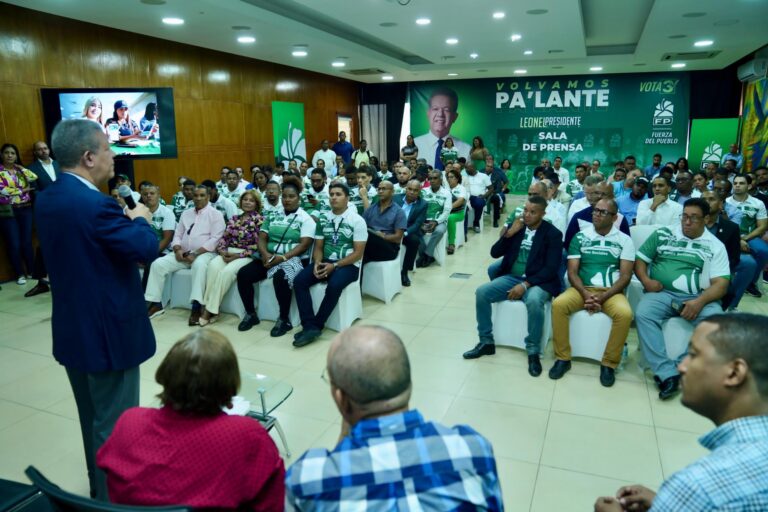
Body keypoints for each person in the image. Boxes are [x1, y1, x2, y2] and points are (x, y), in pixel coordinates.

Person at [34, 119, 157, 500]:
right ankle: (112, 502)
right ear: (89, 157)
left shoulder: (48, 197)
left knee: (92, 418)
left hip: (74, 327)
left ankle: (98, 490)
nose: (114, 155)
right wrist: (141, 221)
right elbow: (145, 249)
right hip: (109, 333)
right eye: (107, 148)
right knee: (115, 426)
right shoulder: (96, 205)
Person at [285, 325, 503, 511]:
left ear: (340, 398)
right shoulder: (473, 449)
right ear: (408, 383)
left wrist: (345, 434)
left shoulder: (307, 480)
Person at [595, 313, 768, 512]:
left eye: (693, 355)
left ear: (734, 372)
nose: (681, 366)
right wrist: (668, 504)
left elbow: (705, 498)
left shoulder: (698, 487)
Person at [97, 330, 285, 510]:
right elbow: (273, 504)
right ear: (228, 384)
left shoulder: (130, 422)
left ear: (166, 374)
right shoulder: (246, 436)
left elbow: (109, 479)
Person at [634, 198, 730, 400]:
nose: (687, 222)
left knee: (717, 326)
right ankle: (665, 371)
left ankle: (677, 369)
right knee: (643, 313)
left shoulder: (715, 246)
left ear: (706, 219)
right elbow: (640, 260)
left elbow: (721, 284)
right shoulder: (663, 233)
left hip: (699, 297)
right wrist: (646, 280)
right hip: (662, 294)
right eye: (684, 216)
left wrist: (699, 302)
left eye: (693, 218)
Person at [464, 196, 562, 377]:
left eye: (533, 212)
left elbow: (551, 268)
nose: (527, 215)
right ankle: (486, 342)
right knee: (482, 292)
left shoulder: (552, 234)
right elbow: (494, 253)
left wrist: (525, 285)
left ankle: (533, 350)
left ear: (543, 214)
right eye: (525, 210)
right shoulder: (518, 228)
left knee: (534, 301)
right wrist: (508, 233)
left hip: (538, 281)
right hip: (512, 277)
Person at [549, 199, 634, 387]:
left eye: (602, 212)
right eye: (595, 210)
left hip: (611, 292)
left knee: (625, 314)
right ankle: (563, 358)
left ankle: (609, 363)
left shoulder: (624, 240)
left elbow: (625, 276)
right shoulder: (580, 237)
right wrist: (586, 294)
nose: (596, 214)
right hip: (582, 289)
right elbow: (572, 272)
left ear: (614, 217)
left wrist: (603, 297)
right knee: (559, 305)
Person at [237, 177, 315, 337]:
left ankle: (284, 319)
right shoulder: (273, 215)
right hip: (270, 257)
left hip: (294, 259)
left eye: (291, 196)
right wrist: (266, 255)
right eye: (284, 196)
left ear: (299, 198)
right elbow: (262, 237)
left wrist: (283, 258)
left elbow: (304, 245)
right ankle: (251, 314)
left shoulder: (305, 218)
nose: (287, 200)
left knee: (281, 277)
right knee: (243, 274)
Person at [293, 183, 367, 347]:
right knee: (299, 281)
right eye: (331, 194)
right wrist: (317, 262)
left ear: (347, 198)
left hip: (349, 264)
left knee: (334, 285)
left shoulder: (357, 220)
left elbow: (358, 253)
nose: (334, 197)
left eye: (338, 194)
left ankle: (317, 325)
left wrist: (335, 265)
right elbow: (318, 247)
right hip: (325, 261)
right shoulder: (324, 219)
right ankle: (308, 325)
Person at [145, 185, 225, 326]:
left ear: (208, 197)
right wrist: (177, 249)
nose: (198, 198)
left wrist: (195, 253)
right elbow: (178, 234)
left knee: (199, 266)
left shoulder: (216, 214)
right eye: (196, 195)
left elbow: (215, 239)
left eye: (202, 195)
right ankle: (155, 303)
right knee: (157, 264)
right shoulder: (186, 213)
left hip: (205, 253)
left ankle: (196, 307)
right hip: (182, 253)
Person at [199, 191, 262, 326]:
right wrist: (222, 251)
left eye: (251, 200)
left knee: (226, 273)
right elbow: (224, 238)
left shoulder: (259, 220)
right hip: (228, 252)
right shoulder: (234, 218)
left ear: (256, 204)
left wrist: (237, 256)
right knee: (213, 267)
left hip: (246, 255)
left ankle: (209, 310)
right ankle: (209, 306)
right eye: (245, 199)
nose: (247, 202)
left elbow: (258, 246)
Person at [702, 190, 751, 311]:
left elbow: (734, 257)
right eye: (703, 200)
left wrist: (717, 271)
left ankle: (726, 310)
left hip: (717, 271)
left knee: (728, 291)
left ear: (720, 204)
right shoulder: (689, 224)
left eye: (711, 199)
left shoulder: (731, 227)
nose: (706, 202)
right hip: (691, 266)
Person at [23, 141, 60, 296]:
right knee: (45, 245)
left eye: (45, 148)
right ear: (35, 152)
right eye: (39, 149)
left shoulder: (60, 164)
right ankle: (42, 282)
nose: (43, 151)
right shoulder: (31, 169)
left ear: (49, 149)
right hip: (46, 211)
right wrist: (51, 197)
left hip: (67, 209)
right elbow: (34, 191)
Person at [0, 143, 38, 285]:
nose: (10, 155)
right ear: (1, 155)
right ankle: (19, 274)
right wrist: (22, 190)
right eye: (7, 153)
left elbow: (33, 177)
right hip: (8, 211)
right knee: (14, 243)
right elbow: (2, 190)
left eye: (13, 153)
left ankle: (32, 271)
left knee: (26, 242)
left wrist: (22, 168)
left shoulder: (20, 170)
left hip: (25, 209)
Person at [726, 175, 768, 298]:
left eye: (741, 183)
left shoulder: (758, 203)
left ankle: (750, 283)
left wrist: (745, 238)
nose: (737, 185)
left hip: (749, 236)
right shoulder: (726, 202)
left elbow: (763, 226)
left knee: (764, 251)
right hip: (729, 236)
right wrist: (737, 239)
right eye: (735, 183)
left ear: (749, 186)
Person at [413, 87, 471, 169]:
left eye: (446, 110)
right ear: (428, 113)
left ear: (455, 116)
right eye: (435, 109)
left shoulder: (466, 150)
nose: (440, 114)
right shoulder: (415, 145)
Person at [139, 184, 175, 290]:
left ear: (159, 195)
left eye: (152, 193)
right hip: (142, 249)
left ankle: (145, 296)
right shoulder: (138, 212)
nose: (148, 196)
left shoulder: (167, 213)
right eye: (145, 194)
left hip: (161, 250)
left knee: (151, 264)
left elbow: (167, 239)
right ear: (142, 196)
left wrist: (149, 255)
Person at [362, 181, 405, 263]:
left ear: (392, 192)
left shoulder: (399, 212)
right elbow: (361, 226)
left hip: (389, 248)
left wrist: (383, 236)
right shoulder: (371, 209)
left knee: (368, 236)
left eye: (384, 189)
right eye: (379, 189)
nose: (381, 191)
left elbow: (398, 238)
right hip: (370, 245)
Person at [394, 179, 427, 286]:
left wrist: (404, 234)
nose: (412, 192)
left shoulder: (423, 204)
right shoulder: (395, 198)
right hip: (392, 228)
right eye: (410, 189)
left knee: (414, 241)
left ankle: (404, 272)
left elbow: (417, 224)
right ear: (406, 189)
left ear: (419, 191)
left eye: (415, 190)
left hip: (407, 231)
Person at [416, 170, 452, 268]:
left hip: (439, 221)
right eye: (430, 178)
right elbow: (417, 208)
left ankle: (427, 255)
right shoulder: (423, 191)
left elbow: (447, 211)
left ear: (441, 179)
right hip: (423, 220)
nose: (432, 180)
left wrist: (436, 222)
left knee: (439, 231)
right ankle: (426, 255)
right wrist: (421, 222)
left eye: (435, 178)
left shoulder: (446, 193)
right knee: (415, 230)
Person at [463, 161, 493, 233]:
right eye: (465, 168)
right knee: (463, 206)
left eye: (467, 168)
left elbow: (491, 188)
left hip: (478, 197)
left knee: (479, 203)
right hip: (466, 197)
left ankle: (476, 223)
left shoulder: (483, 176)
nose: (466, 170)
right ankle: (464, 226)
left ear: (473, 168)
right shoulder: (464, 177)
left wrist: (484, 196)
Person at [446, 168, 468, 254]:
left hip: (458, 213)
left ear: (457, 179)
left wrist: (448, 208)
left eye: (451, 177)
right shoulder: (445, 188)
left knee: (450, 218)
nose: (449, 179)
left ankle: (451, 244)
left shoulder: (461, 188)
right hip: (446, 212)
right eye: (448, 177)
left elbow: (461, 200)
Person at [485, 155, 509, 228]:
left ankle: (495, 220)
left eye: (490, 159)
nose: (489, 160)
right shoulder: (480, 172)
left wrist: (502, 189)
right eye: (487, 159)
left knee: (497, 198)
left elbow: (503, 184)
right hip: (482, 193)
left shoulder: (498, 173)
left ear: (493, 161)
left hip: (494, 193)